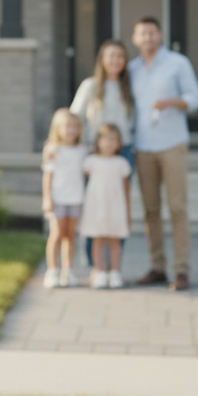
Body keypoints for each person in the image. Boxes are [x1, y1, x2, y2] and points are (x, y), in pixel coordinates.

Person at [127, 16, 198, 291]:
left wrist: (174, 101)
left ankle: (181, 270)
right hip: (143, 147)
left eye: (152, 33)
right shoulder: (131, 69)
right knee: (150, 211)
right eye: (142, 34)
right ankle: (157, 267)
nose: (147, 38)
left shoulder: (177, 63)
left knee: (177, 208)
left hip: (172, 144)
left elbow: (196, 97)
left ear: (159, 35)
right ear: (135, 39)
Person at [69, 40, 136, 268]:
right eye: (111, 56)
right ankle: (93, 265)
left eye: (120, 56)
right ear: (102, 60)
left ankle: (113, 266)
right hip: (95, 153)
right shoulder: (90, 86)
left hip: (123, 152)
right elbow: (74, 117)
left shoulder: (128, 88)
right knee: (94, 208)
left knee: (118, 208)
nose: (115, 60)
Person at [80, 123, 133, 289]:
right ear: (98, 142)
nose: (109, 143)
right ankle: (100, 271)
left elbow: (126, 189)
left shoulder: (121, 163)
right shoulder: (90, 162)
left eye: (113, 140)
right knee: (98, 239)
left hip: (116, 207)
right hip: (97, 207)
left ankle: (115, 271)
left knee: (115, 240)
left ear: (119, 144)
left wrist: (128, 212)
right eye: (105, 139)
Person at [41, 108, 85, 288]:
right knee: (56, 234)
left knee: (70, 235)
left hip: (75, 199)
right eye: (67, 126)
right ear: (57, 128)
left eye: (75, 126)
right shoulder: (53, 149)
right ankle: (52, 271)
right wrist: (47, 198)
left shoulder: (82, 150)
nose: (71, 130)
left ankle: (69, 271)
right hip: (57, 198)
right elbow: (47, 176)